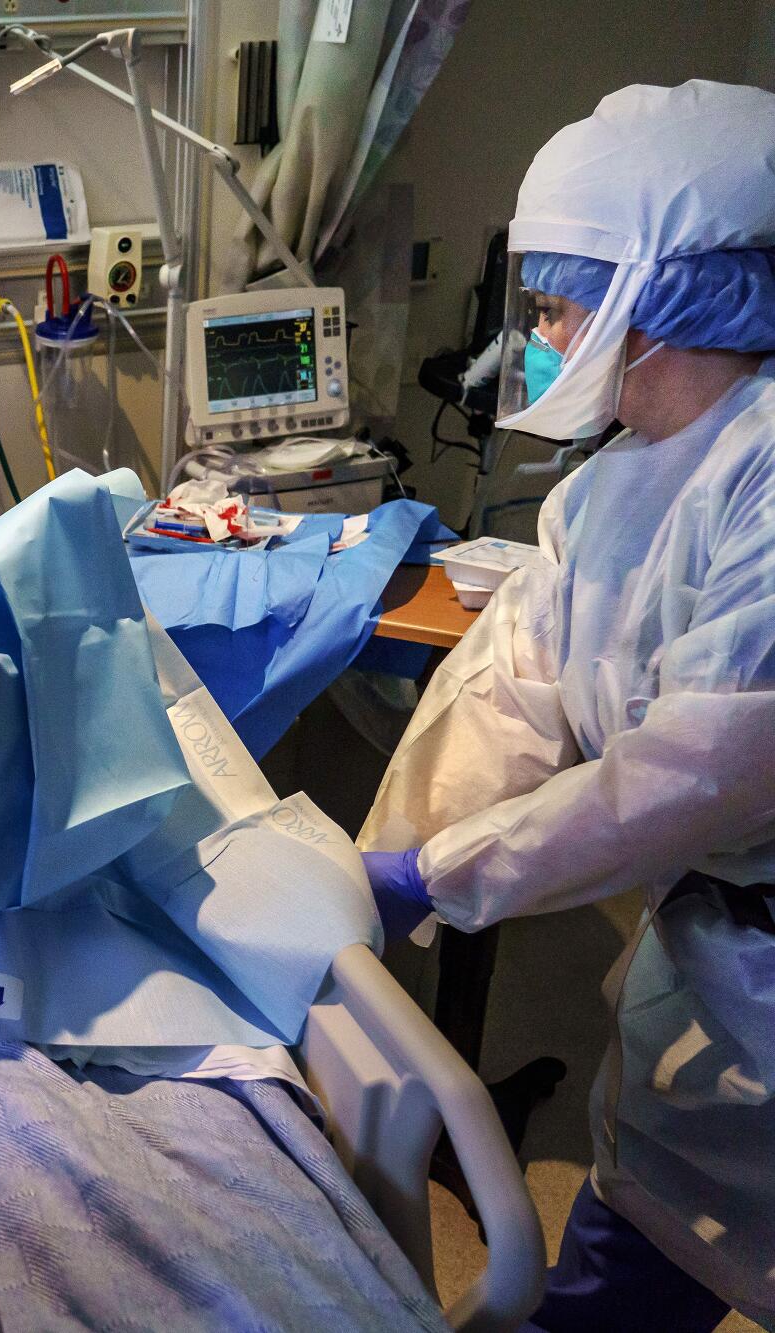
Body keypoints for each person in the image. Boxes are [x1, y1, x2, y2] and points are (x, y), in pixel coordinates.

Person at [358, 80, 775, 1331]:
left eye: (550, 308)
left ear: (657, 299)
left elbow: (690, 772)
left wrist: (439, 873)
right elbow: (509, 686)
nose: (530, 340)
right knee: (638, 1228)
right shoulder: (604, 493)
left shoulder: (762, 478)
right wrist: (359, 876)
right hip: (705, 968)